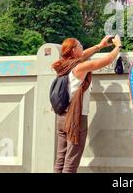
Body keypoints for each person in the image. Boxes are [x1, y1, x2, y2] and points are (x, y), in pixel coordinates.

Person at [52, 34, 122, 173]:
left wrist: (99, 46)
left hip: (61, 117)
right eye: (80, 46)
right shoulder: (79, 68)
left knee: (61, 158)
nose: (83, 48)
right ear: (73, 51)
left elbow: (83, 55)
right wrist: (118, 46)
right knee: (71, 161)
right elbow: (107, 60)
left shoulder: (63, 65)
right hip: (75, 119)